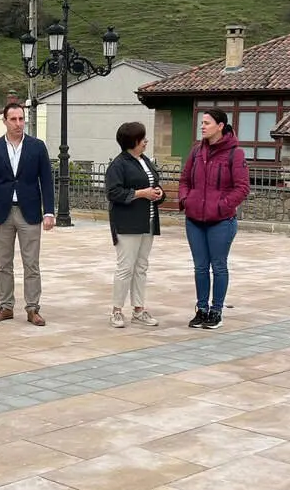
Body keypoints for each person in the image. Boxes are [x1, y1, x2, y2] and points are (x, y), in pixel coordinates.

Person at [0, 103, 55, 326]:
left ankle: (33, 308)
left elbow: (46, 180)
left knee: (31, 263)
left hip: (29, 212)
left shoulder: (37, 146)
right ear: (4, 122)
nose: (18, 123)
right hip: (1, 213)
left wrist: (49, 211)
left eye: (21, 119)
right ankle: (6, 307)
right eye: (13, 119)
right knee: (4, 264)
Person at [178, 108, 251, 330]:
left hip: (221, 222)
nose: (202, 126)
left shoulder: (235, 154)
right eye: (202, 123)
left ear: (220, 126)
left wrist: (222, 206)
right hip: (194, 220)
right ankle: (201, 309)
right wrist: (186, 200)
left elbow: (242, 188)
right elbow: (184, 179)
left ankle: (216, 310)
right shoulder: (196, 152)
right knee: (200, 267)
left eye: (207, 123)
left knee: (218, 266)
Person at [105, 122, 166, 328]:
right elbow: (113, 193)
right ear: (132, 141)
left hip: (147, 221)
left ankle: (139, 309)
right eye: (142, 139)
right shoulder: (119, 164)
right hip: (127, 223)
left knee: (141, 267)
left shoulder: (145, 160)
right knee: (125, 267)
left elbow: (154, 184)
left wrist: (158, 194)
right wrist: (141, 193)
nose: (145, 141)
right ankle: (116, 310)